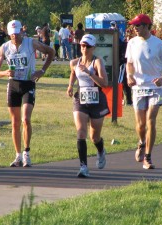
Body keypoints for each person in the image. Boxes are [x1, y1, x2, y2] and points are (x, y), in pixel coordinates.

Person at [0, 20, 55, 167]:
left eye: (17, 33)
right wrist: (4, 72)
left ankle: (26, 153)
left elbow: (51, 52)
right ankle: (17, 156)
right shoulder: (4, 48)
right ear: (9, 34)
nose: (15, 36)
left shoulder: (31, 43)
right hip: (13, 85)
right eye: (12, 34)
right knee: (15, 123)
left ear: (21, 32)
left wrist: (41, 71)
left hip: (28, 84)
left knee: (26, 119)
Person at [126, 14, 162, 169]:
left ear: (147, 26)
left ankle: (148, 157)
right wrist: (129, 76)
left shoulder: (158, 44)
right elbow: (129, 63)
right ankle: (141, 142)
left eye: (138, 25)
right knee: (140, 125)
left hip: (155, 87)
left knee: (150, 120)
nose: (135, 28)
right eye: (134, 26)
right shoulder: (132, 43)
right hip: (138, 87)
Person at [66, 34, 110, 177]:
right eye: (82, 45)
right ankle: (83, 167)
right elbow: (73, 73)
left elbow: (105, 83)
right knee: (81, 132)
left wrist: (90, 73)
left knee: (94, 137)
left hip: (97, 100)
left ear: (93, 48)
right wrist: (70, 86)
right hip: (81, 100)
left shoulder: (98, 62)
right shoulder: (74, 62)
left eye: (88, 46)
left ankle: (100, 151)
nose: (84, 48)